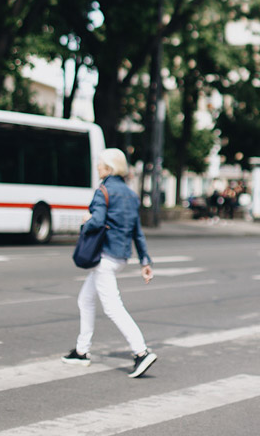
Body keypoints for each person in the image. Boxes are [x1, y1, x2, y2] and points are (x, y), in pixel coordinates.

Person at [62, 148, 157, 378]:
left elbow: (97, 222)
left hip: (104, 257)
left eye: (100, 163)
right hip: (120, 257)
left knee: (113, 307)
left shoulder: (103, 191)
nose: (97, 166)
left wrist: (86, 221)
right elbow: (137, 231)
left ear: (109, 167)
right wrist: (144, 260)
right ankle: (82, 351)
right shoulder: (130, 194)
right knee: (85, 299)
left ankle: (141, 352)